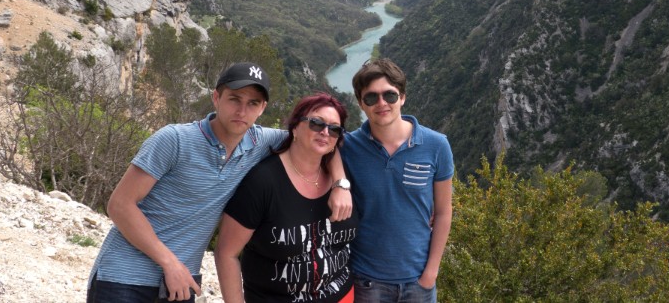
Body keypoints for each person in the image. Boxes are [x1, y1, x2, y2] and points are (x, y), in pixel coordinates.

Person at [87, 62, 352, 303]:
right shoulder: (174, 140)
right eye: (234, 99)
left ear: (262, 108)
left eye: (253, 103)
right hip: (124, 276)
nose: (242, 110)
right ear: (216, 98)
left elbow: (322, 142)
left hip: (181, 283)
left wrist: (340, 183)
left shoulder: (261, 141)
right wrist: (169, 263)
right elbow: (120, 205)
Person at [215, 93, 358, 303]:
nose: (325, 132)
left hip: (342, 295)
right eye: (316, 123)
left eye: (334, 129)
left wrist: (341, 183)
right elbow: (226, 253)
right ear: (295, 128)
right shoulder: (263, 182)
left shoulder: (343, 176)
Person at [342, 58, 454, 303]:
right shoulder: (348, 147)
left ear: (402, 97)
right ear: (361, 103)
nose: (381, 103)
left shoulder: (436, 145)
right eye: (371, 97)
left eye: (389, 95)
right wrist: (339, 184)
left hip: (419, 283)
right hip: (366, 282)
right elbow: (307, 141)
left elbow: (444, 212)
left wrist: (431, 274)